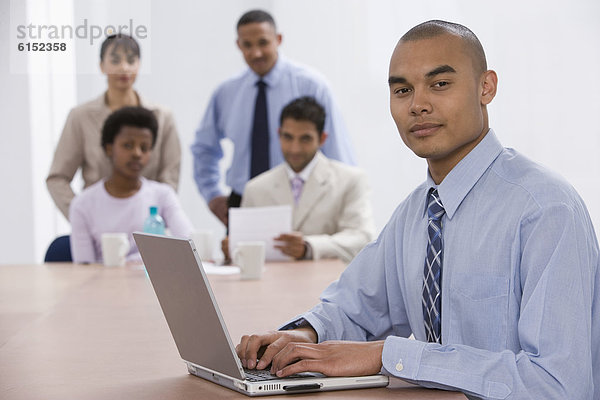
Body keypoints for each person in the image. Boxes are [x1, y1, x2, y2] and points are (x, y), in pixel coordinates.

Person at [235, 20, 600, 399]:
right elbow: (357, 306)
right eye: (402, 90)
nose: (418, 104)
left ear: (486, 87)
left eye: (440, 84)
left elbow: (558, 384)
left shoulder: (546, 209)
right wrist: (300, 337)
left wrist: (388, 354)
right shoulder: (418, 211)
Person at [191, 9, 355, 227]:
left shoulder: (311, 85)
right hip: (243, 201)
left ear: (278, 40)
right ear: (238, 45)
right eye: (247, 45)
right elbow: (204, 148)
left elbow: (335, 149)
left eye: (263, 42)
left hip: (301, 201)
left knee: (306, 260)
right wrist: (212, 194)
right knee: (240, 261)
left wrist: (343, 201)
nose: (256, 52)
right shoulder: (226, 93)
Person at [47, 33, 181, 220]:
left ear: (139, 65)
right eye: (115, 60)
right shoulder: (81, 116)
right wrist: (82, 218)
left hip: (146, 223)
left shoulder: (162, 117)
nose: (124, 67)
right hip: (99, 220)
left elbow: (169, 179)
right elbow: (57, 178)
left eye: (131, 60)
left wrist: (155, 218)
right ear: (102, 66)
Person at [237, 96, 374, 263]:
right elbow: (245, 249)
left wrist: (309, 247)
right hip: (272, 286)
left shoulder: (351, 180)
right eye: (288, 137)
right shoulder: (255, 189)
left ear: (322, 138)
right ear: (279, 134)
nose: (295, 148)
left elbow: (361, 238)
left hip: (329, 285)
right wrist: (234, 248)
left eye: (305, 139)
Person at [69, 106, 193, 264]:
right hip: (104, 286)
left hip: (150, 284)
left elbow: (189, 243)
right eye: (128, 145)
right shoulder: (83, 204)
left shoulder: (163, 195)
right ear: (109, 148)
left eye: (144, 148)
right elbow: (84, 266)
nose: (137, 154)